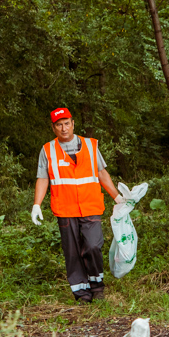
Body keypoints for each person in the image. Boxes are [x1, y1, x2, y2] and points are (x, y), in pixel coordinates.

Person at [31, 107, 124, 303]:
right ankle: (82, 293)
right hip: (65, 208)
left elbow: (101, 173)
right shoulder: (47, 150)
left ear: (73, 124)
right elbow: (42, 178)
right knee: (72, 251)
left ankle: (97, 286)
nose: (64, 128)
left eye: (66, 123)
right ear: (53, 128)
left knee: (92, 245)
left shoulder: (90, 145)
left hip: (90, 205)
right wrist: (36, 204)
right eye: (59, 125)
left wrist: (117, 197)